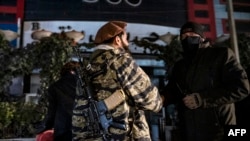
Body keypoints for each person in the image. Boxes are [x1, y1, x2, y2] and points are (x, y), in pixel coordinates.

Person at [72, 21, 163, 141]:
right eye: (126, 38)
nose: (128, 42)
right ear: (117, 40)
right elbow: (151, 100)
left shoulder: (86, 69)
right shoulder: (121, 61)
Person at [163, 21, 250, 141]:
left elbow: (241, 88)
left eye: (192, 35)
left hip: (219, 132)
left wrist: (201, 99)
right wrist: (158, 99)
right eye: (184, 36)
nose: (188, 38)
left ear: (202, 38)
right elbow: (172, 91)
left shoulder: (221, 55)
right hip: (189, 133)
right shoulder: (180, 66)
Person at [36, 61, 80, 141]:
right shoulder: (86, 87)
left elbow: (51, 113)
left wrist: (44, 128)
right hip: (83, 130)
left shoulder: (55, 87)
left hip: (63, 131)